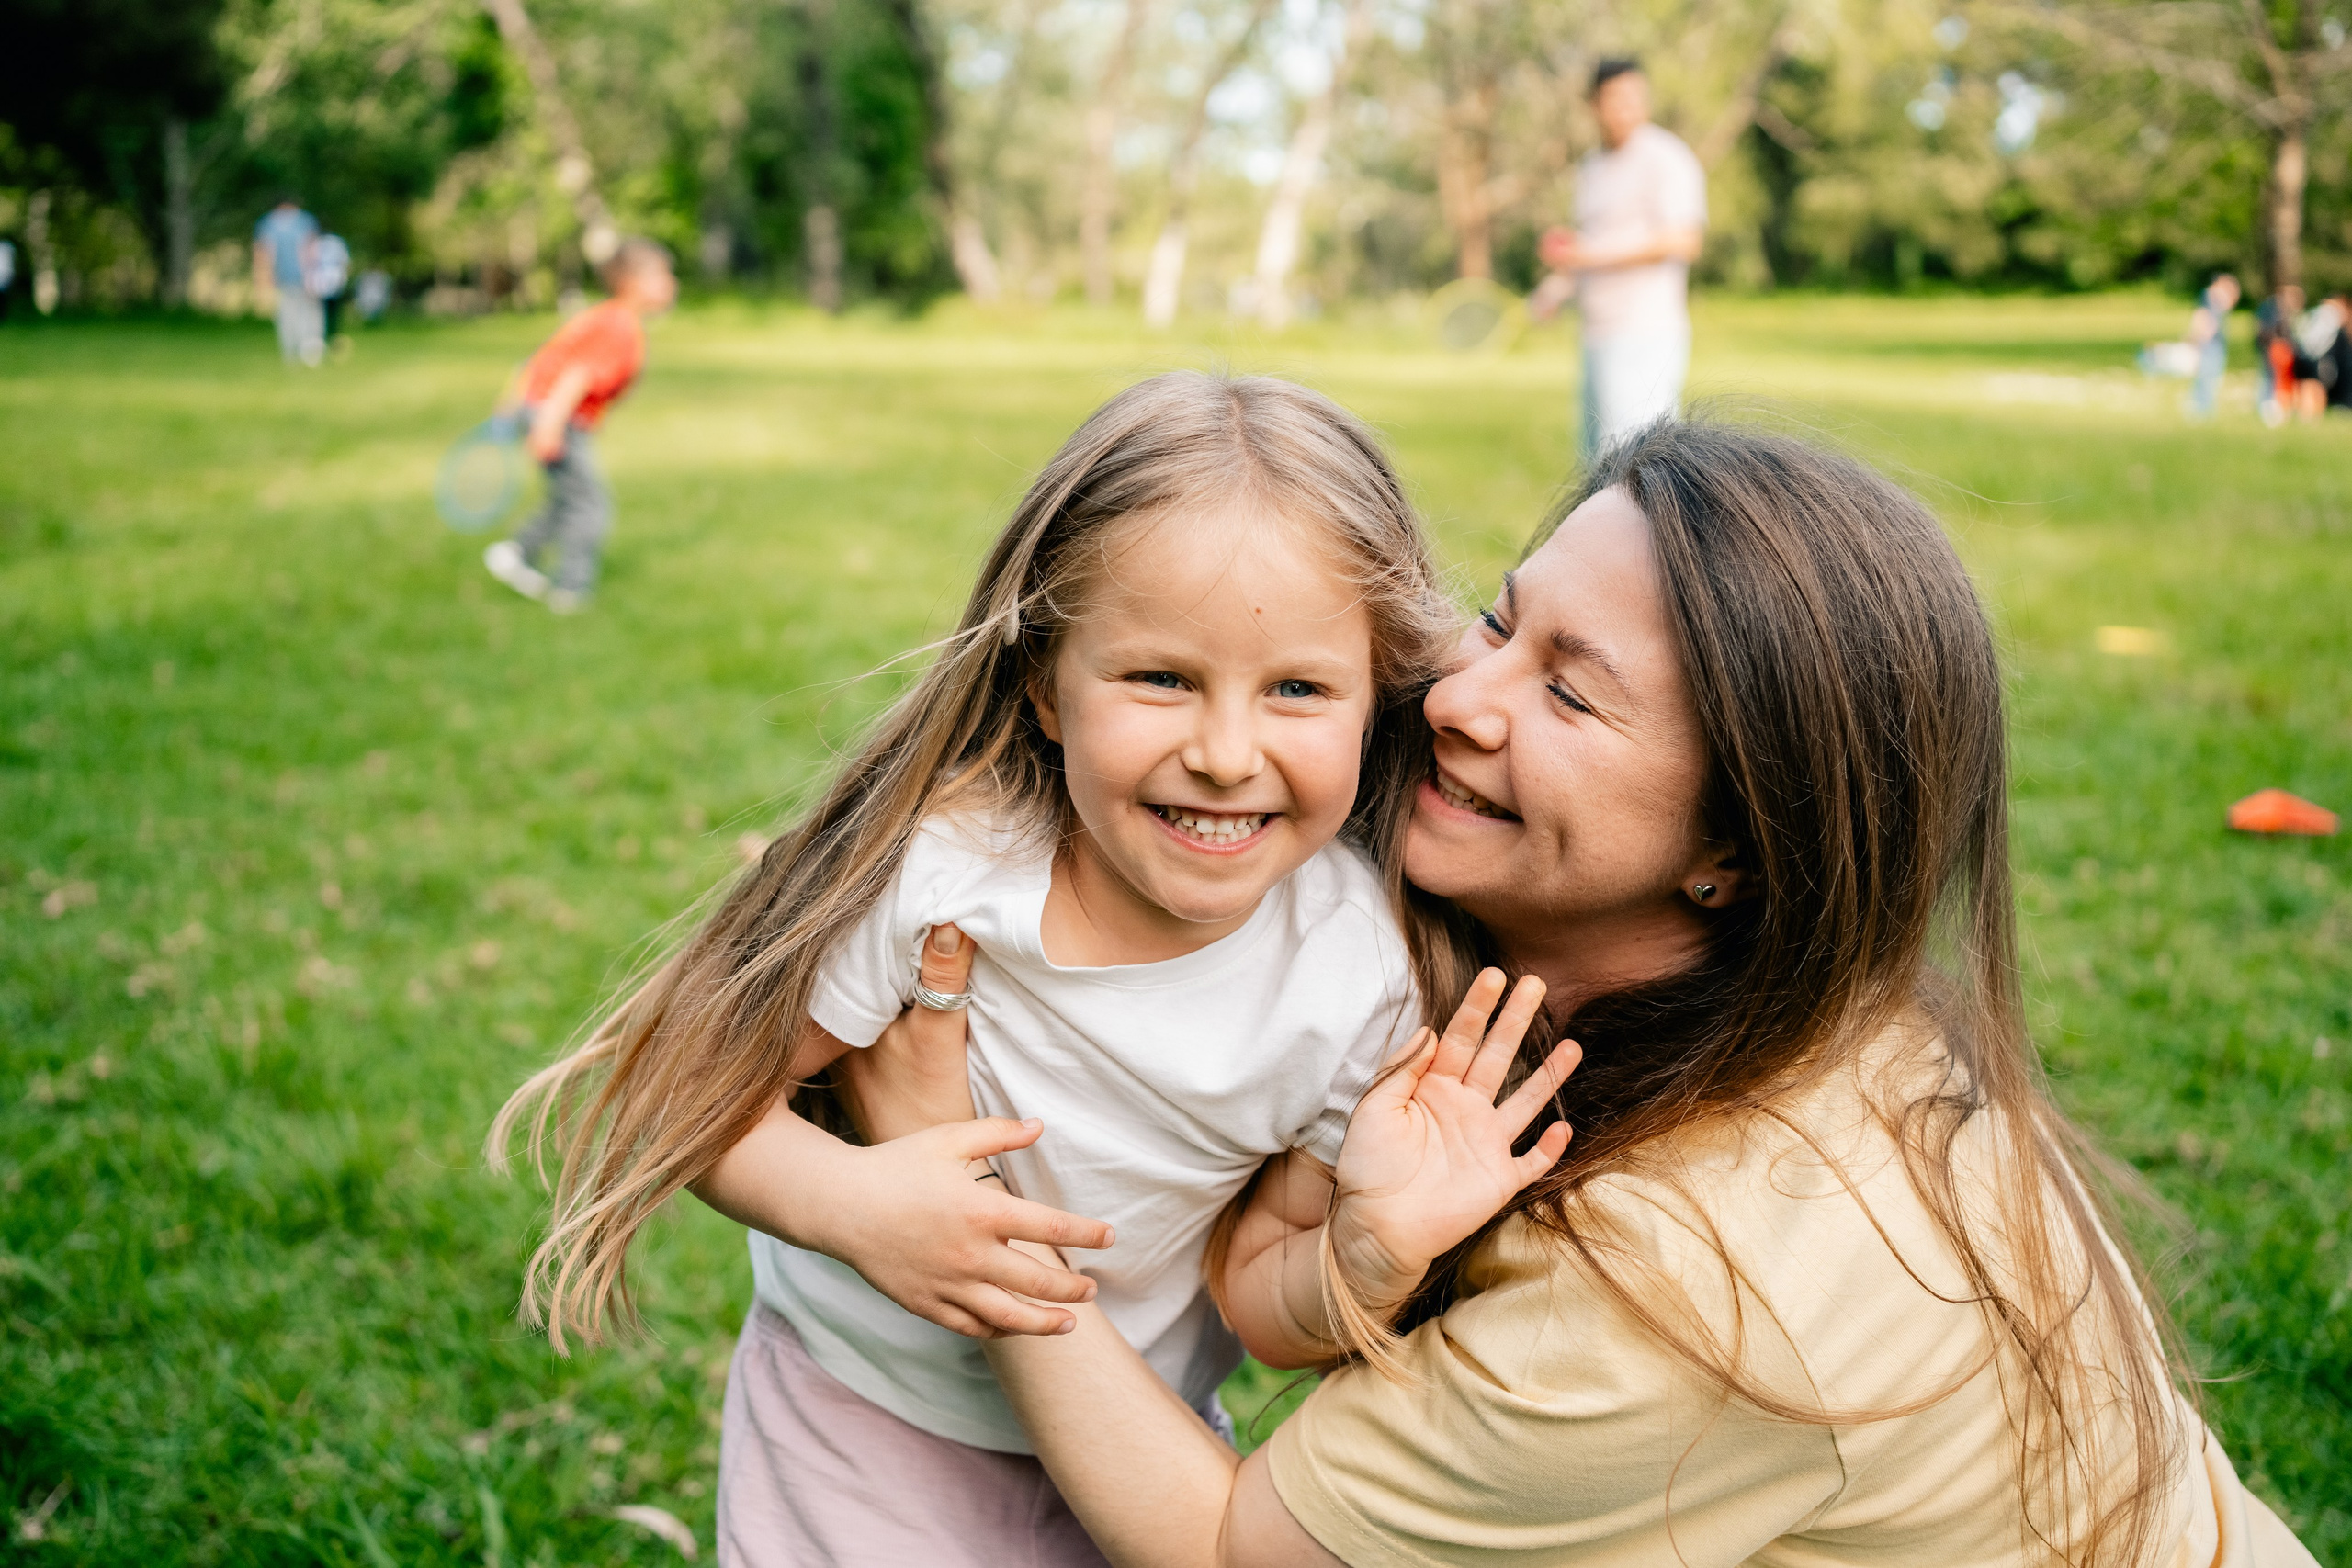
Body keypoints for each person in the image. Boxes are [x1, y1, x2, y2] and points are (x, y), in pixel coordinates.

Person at [765, 422, 2319, 1567]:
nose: (1454, 693)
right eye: (1504, 620)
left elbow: (1235, 1549)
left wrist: (959, 1173)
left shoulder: (1707, 1290)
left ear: (1731, 849)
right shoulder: (1775, 998)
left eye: (1568, 690)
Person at [490, 372, 1547, 1566]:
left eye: (1298, 689)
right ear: (1046, 682)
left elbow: (1256, 1290)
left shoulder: (1356, 977)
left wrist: (1363, 1252)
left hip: (1127, 1449)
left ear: (1376, 702)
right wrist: (853, 1205)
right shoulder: (948, 873)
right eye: (1161, 677)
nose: (1223, 751)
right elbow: (691, 1090)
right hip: (857, 1420)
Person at [481, 238, 676, 614]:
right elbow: (576, 374)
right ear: (632, 281)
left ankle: (517, 552)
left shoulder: (604, 316)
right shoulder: (620, 325)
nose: (672, 284)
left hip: (545, 412)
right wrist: (548, 426)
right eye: (664, 275)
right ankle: (571, 589)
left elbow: (539, 360)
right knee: (589, 505)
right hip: (555, 417)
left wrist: (513, 407)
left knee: (569, 497)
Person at [1529, 60, 1706, 464]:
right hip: (1596, 336)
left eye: (1635, 98)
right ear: (1593, 104)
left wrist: (1591, 254)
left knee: (1637, 467)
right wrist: (1553, 289)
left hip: (1645, 332)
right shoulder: (1592, 168)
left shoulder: (1666, 158)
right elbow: (1589, 249)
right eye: (1616, 99)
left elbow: (1685, 240)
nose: (1628, 108)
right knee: (1598, 465)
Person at [252, 197, 322, 366]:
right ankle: (310, 353)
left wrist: (263, 278)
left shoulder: (267, 223)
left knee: (287, 316)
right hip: (303, 277)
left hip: (281, 278)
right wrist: (313, 274)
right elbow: (310, 249)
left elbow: (263, 252)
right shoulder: (305, 220)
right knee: (309, 315)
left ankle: (291, 355)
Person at [2188, 272, 2239, 419]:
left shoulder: (2217, 299)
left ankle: (2205, 409)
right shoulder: (2208, 296)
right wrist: (2198, 335)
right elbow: (2203, 316)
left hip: (2215, 342)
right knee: (2206, 376)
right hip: (2208, 343)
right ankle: (2200, 410)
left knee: (2211, 377)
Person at [310, 231, 352, 351]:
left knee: (320, 312)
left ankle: (323, 337)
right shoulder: (337, 242)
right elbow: (345, 261)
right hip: (334, 279)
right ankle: (332, 337)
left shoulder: (315, 242)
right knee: (333, 313)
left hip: (319, 281)